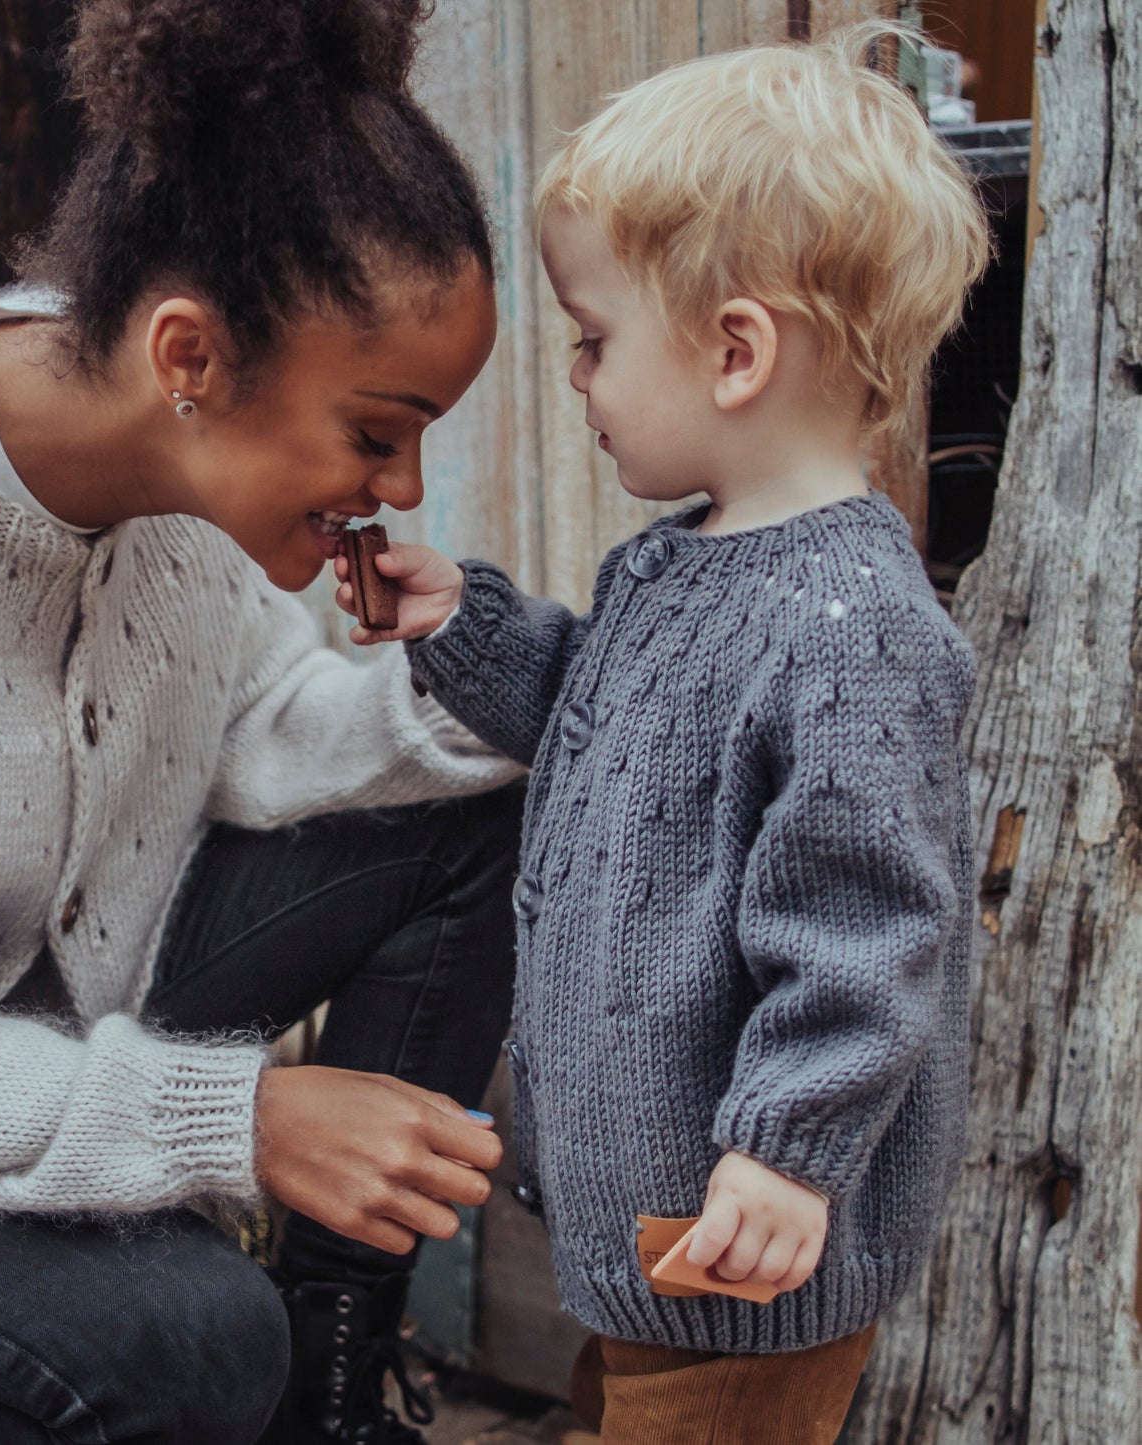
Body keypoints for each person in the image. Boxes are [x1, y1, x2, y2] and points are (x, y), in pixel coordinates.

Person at [0, 2, 528, 1443]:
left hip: (59, 1040)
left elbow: (265, 725)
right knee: (186, 1338)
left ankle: (324, 1385)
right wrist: (247, 1121)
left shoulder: (185, 493)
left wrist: (508, 670)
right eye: (375, 428)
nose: (397, 485)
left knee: (465, 801)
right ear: (189, 356)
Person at [334, 26, 990, 1445]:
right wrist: (462, 621)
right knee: (622, 1406)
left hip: (748, 1227)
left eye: (592, 340)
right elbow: (595, 726)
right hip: (661, 1222)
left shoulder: (851, 626)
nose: (574, 375)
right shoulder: (670, 564)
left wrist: (787, 1150)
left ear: (735, 350)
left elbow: (867, 928)